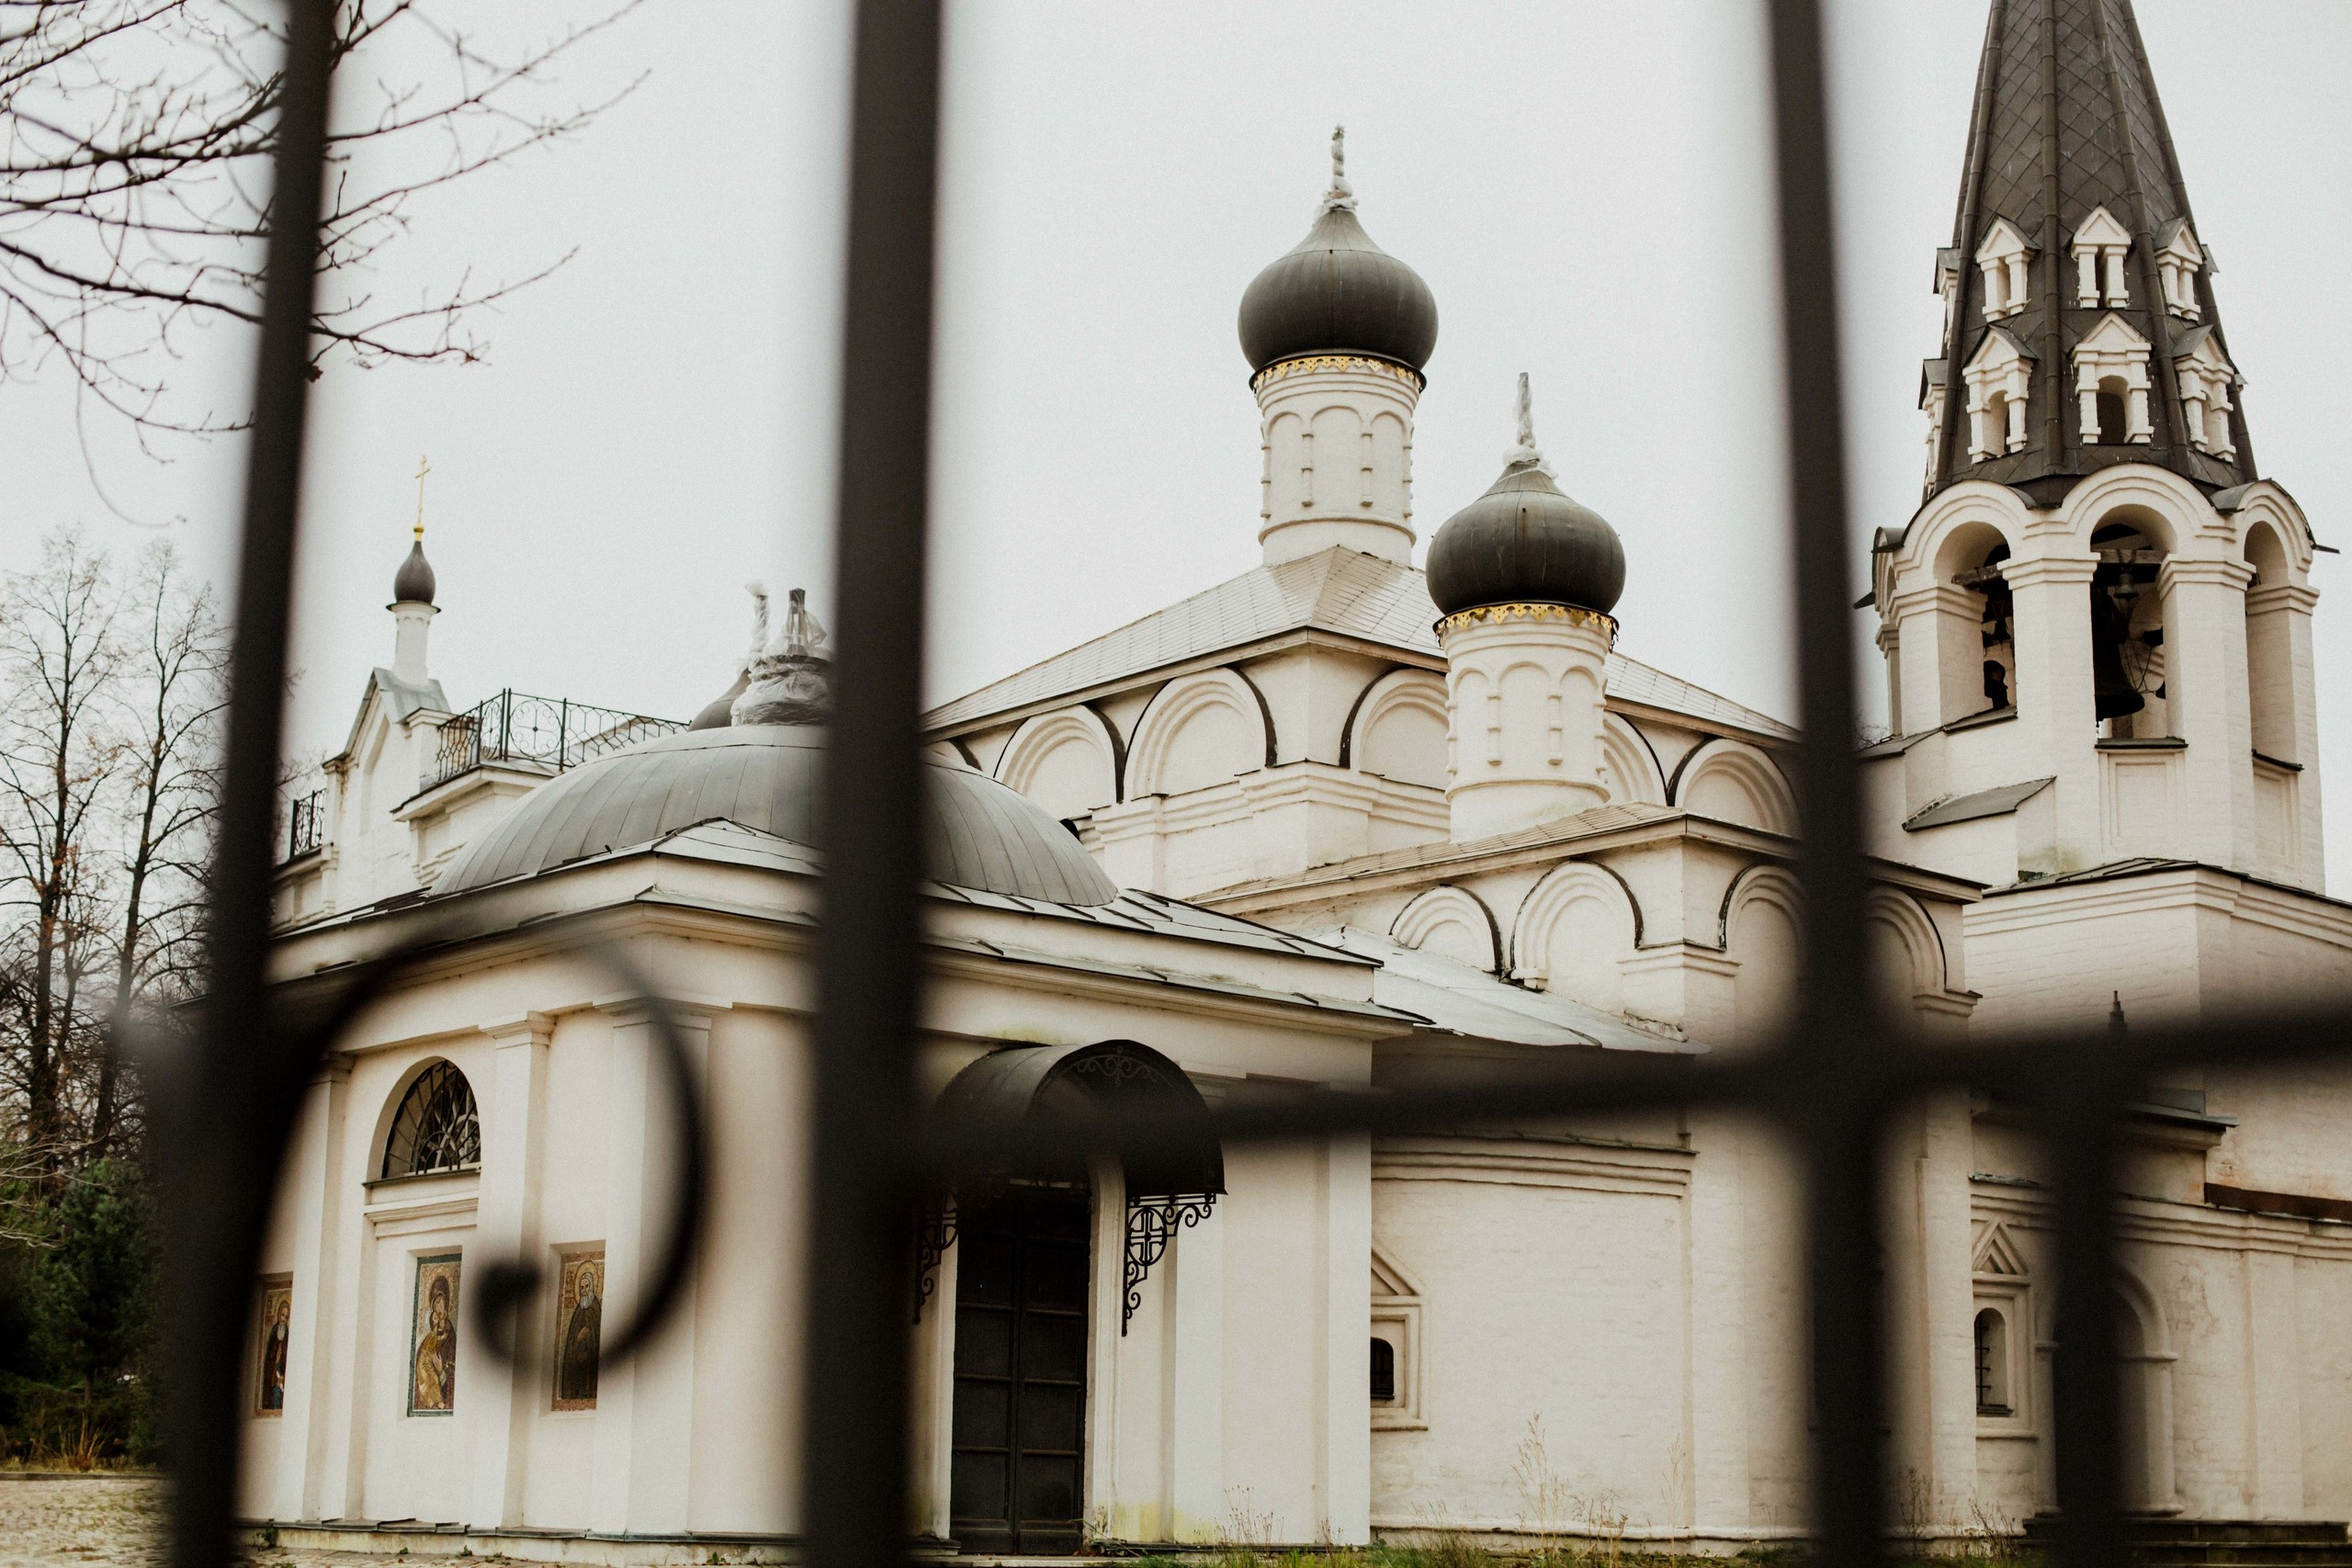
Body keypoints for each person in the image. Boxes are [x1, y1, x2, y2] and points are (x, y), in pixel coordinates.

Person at [558, 1262, 601, 1404]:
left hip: (591, 1364)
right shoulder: (577, 1312)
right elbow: (571, 1340)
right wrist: (578, 1339)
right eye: (581, 1288)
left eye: (586, 1287)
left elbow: (598, 1336)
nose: (583, 1291)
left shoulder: (595, 1309)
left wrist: (588, 1350)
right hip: (577, 1364)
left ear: (592, 1287)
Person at [413, 1273, 456, 1411]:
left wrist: (441, 1370)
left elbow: (454, 1376)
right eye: (435, 1304)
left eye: (439, 1301)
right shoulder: (429, 1338)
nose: (437, 1308)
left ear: (447, 1302)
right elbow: (419, 1369)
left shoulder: (451, 1338)